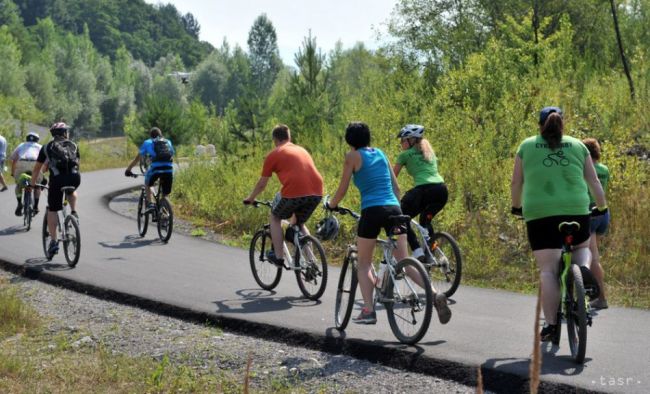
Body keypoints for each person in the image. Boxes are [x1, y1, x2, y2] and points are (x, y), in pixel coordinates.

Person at [327, 121, 451, 325]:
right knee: (404, 260)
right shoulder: (381, 154)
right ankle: (435, 294)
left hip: (372, 210)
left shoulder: (352, 156)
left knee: (364, 263)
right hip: (394, 209)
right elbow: (396, 187)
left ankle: (368, 310)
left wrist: (331, 205)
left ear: (349, 140)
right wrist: (395, 208)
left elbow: (342, 190)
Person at [511, 107, 607, 342]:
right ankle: (582, 269)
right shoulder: (578, 145)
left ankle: (552, 326)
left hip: (540, 213)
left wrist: (516, 207)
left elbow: (516, 182)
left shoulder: (526, 146)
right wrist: (602, 206)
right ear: (562, 124)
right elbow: (593, 180)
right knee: (582, 249)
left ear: (540, 125)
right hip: (576, 208)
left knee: (548, 270)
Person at [243, 124, 323, 265]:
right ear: (289, 137)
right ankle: (311, 262)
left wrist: (251, 198)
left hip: (295, 192)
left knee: (275, 217)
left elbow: (262, 184)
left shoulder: (274, 154)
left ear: (275, 139)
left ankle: (279, 257)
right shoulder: (301, 149)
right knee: (299, 223)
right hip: (317, 192)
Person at [393, 124, 448, 264]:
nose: (401, 143)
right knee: (425, 220)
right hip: (441, 190)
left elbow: (392, 178)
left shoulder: (404, 155)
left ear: (411, 140)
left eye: (403, 140)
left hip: (424, 190)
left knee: (401, 216)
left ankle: (417, 252)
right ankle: (433, 253)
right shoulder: (429, 152)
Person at [31, 122, 81, 257]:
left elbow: (37, 169)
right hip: (75, 178)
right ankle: (74, 213)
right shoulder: (74, 145)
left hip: (57, 180)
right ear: (65, 133)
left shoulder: (46, 147)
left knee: (52, 209)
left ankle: (53, 242)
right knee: (71, 190)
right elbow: (77, 164)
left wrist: (32, 185)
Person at [582, 138, 610, 309]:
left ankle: (600, 297)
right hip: (603, 212)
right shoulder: (604, 169)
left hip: (589, 212)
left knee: (592, 257)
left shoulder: (584, 169)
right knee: (594, 254)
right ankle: (594, 293)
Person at [125, 127, 175, 213]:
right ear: (161, 134)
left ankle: (150, 204)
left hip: (156, 169)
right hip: (169, 169)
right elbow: (171, 153)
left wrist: (128, 169)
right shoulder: (168, 142)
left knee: (147, 183)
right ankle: (165, 213)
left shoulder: (147, 142)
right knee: (165, 194)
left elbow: (137, 159)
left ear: (150, 135)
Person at [11, 132, 44, 216]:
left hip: (22, 162)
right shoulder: (40, 147)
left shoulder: (21, 145)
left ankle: (19, 203)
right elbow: (45, 161)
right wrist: (43, 173)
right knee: (38, 185)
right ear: (37, 139)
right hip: (35, 163)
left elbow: (13, 159)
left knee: (19, 184)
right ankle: (36, 206)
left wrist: (13, 172)